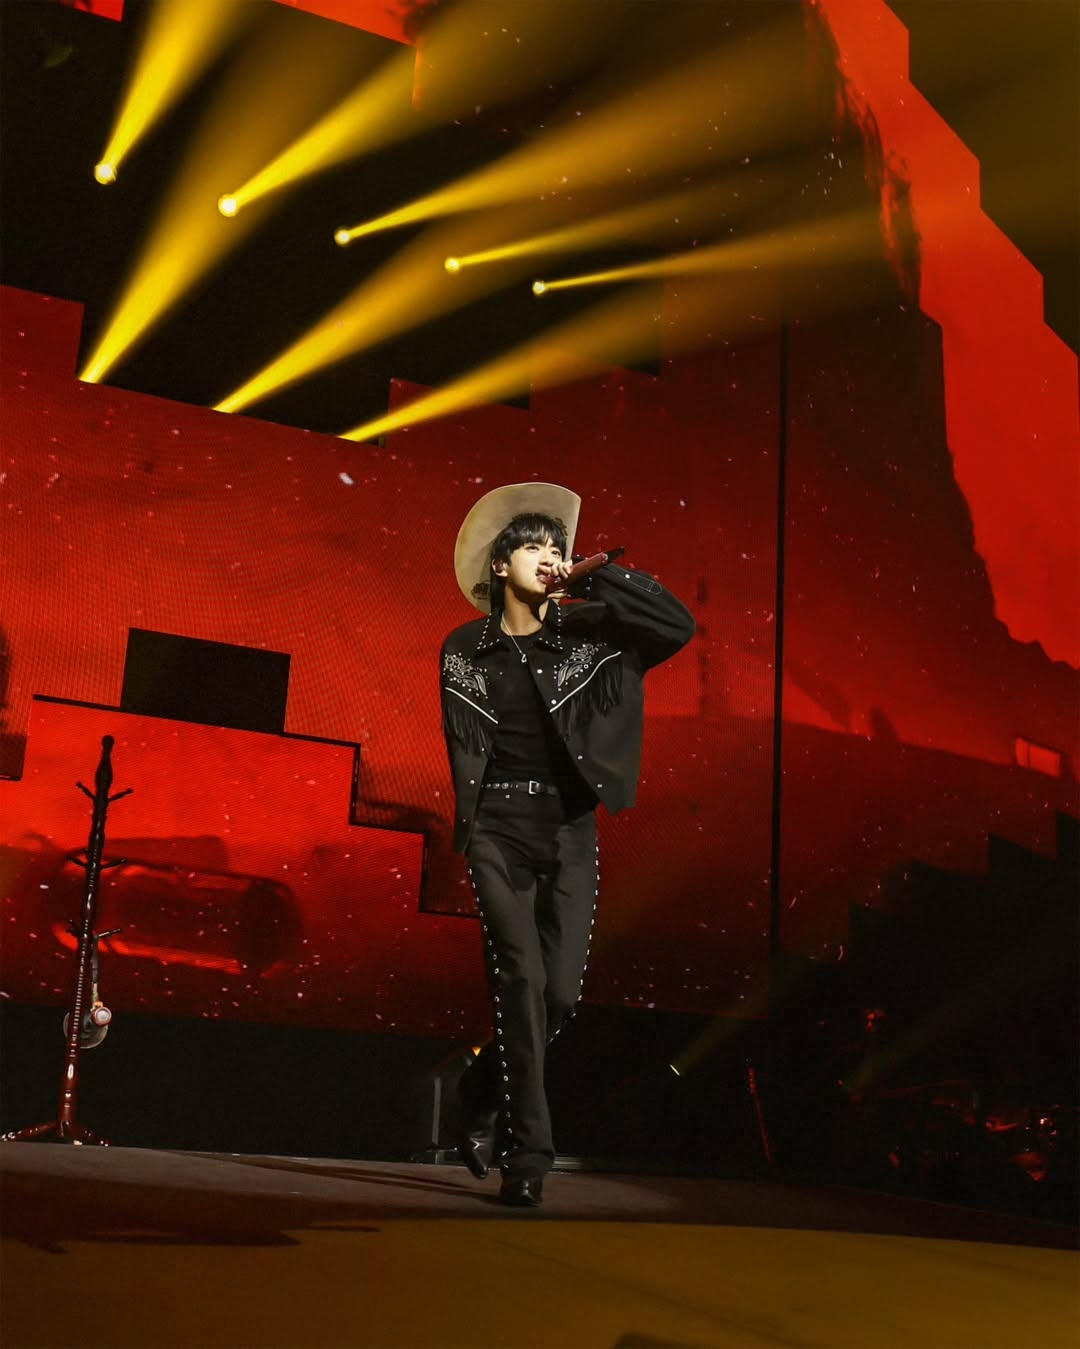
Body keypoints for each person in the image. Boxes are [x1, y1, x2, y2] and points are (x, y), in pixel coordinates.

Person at [440, 482, 695, 1207]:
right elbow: (466, 744)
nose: (548, 556)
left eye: (557, 547)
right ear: (500, 565)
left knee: (558, 995)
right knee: (519, 979)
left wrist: (596, 578)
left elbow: (676, 625)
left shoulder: (592, 636)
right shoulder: (465, 648)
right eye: (533, 546)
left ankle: (481, 1091)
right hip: (496, 828)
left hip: (570, 829)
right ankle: (529, 1156)